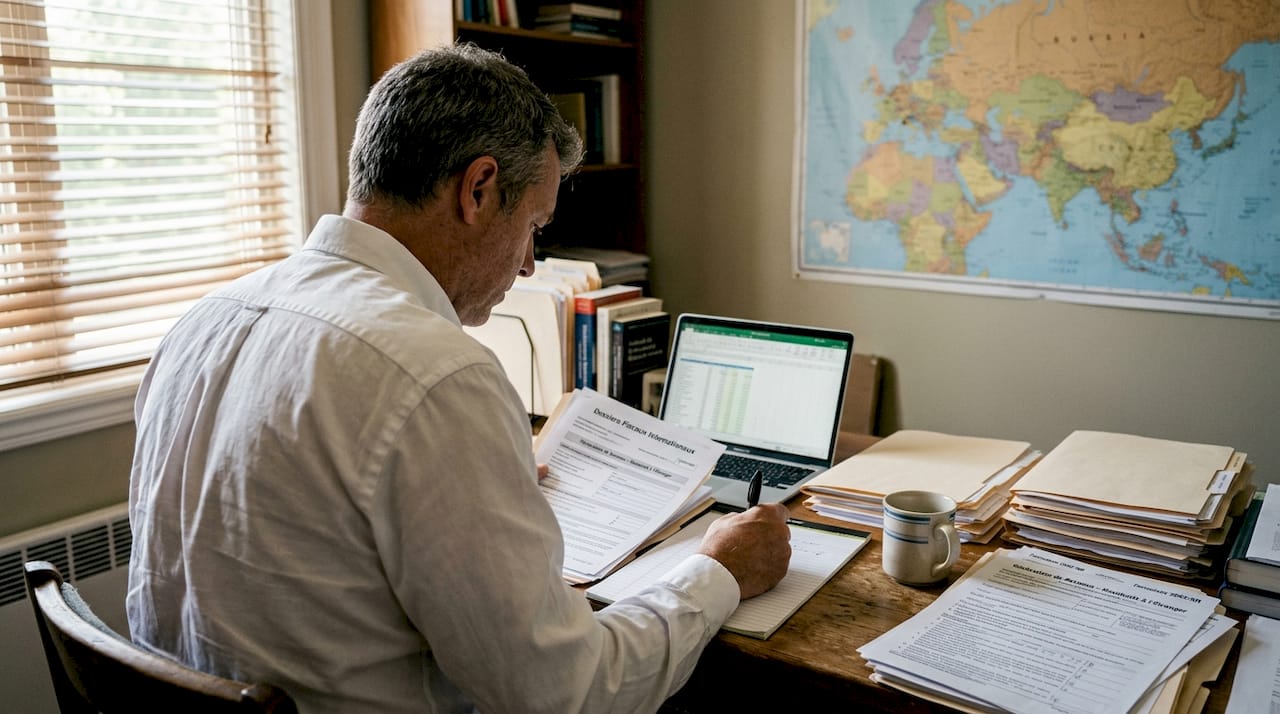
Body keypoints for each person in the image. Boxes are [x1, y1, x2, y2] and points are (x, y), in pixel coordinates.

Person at [127, 42, 792, 713]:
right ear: (477, 189)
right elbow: (567, 694)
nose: (530, 265)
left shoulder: (204, 321)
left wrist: (474, 475)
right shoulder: (437, 376)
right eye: (533, 227)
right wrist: (719, 572)